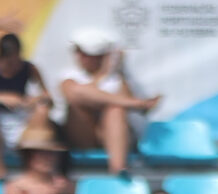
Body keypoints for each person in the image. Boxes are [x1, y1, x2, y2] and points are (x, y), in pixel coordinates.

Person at [58, 28, 158, 177]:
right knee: (79, 104)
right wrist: (134, 103)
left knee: (116, 110)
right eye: (79, 53)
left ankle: (118, 170)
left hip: (112, 137)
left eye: (86, 54)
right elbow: (73, 95)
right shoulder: (69, 75)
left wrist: (114, 74)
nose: (80, 58)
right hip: (83, 137)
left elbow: (128, 107)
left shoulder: (118, 79)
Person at [0, 33, 49, 167]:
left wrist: (32, 100)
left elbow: (47, 96)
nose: (12, 65)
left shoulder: (29, 68)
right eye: (7, 61)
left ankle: (33, 162)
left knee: (42, 110)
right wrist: (1, 97)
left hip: (19, 119)